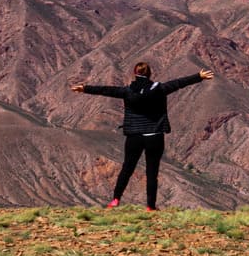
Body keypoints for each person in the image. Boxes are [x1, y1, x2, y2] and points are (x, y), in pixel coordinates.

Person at [71, 61, 214, 210]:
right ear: (149, 73)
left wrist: (85, 88)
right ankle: (150, 206)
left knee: (127, 169)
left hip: (134, 136)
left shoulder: (127, 91)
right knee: (152, 172)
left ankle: (115, 200)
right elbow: (178, 83)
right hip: (154, 136)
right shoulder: (159, 89)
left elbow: (107, 90)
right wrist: (199, 76)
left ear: (135, 73)